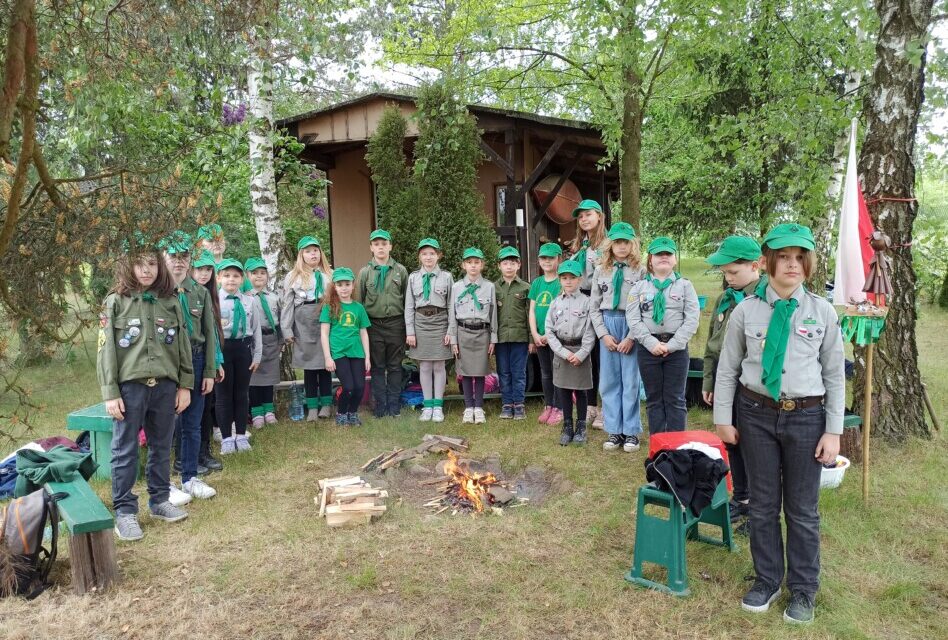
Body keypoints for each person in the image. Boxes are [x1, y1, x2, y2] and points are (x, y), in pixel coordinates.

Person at [713, 223, 844, 624]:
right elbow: (727, 369)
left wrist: (833, 431)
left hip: (806, 417)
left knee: (803, 510)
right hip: (755, 416)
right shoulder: (745, 311)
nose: (792, 265)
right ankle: (767, 578)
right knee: (764, 505)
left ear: (808, 263)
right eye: (784, 257)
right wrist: (723, 418)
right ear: (767, 262)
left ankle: (803, 589)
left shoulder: (822, 312)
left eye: (799, 258)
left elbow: (835, 373)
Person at [97, 241, 194, 541]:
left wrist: (185, 385)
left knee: (161, 445)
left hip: (165, 387)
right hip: (130, 389)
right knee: (124, 449)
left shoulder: (170, 301)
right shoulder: (114, 302)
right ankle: (125, 512)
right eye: (140, 263)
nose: (147, 269)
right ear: (127, 266)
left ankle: (159, 500)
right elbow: (106, 350)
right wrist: (110, 392)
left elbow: (183, 346)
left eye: (152, 263)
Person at [703, 236, 767, 524]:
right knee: (731, 440)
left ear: (756, 267)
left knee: (753, 444)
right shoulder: (724, 299)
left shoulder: (765, 299)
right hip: (723, 376)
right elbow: (712, 343)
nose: (728, 279)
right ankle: (741, 497)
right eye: (725, 273)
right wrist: (708, 381)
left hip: (750, 382)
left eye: (733, 272)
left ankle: (758, 507)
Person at [159, 232, 218, 503]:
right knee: (166, 425)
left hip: (195, 361)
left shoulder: (200, 292)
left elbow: (209, 333)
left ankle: (190, 477)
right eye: (173, 256)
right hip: (168, 365)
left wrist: (208, 370)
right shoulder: (157, 294)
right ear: (164, 259)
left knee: (193, 423)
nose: (179, 262)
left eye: (184, 257)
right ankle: (164, 484)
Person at [626, 237, 699, 434]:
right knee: (654, 398)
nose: (664, 257)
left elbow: (692, 319)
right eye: (659, 254)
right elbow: (633, 319)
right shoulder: (639, 287)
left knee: (675, 398)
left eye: (668, 254)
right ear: (650, 259)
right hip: (648, 350)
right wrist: (651, 343)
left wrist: (672, 345)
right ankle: (658, 445)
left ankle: (677, 447)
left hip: (676, 349)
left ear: (675, 259)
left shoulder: (685, 286)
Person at [589, 222, 645, 452]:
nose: (621, 247)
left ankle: (631, 431)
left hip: (631, 323)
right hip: (608, 324)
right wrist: (603, 335)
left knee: (631, 380)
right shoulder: (601, 270)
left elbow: (645, 305)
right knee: (610, 380)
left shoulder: (641, 270)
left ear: (633, 244)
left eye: (626, 242)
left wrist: (632, 336)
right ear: (610, 244)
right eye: (617, 242)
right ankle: (614, 429)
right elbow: (594, 306)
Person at [356, 229, 409, 418]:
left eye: (384, 244)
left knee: (395, 365)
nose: (380, 247)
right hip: (373, 325)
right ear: (371, 247)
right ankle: (380, 405)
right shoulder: (365, 273)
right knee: (377, 366)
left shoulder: (400, 271)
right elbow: (360, 302)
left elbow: (406, 299)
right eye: (376, 244)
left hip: (395, 323)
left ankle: (394, 405)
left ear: (390, 246)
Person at [281, 236, 334, 420]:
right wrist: (286, 329)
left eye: (315, 250)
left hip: (325, 318)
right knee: (309, 366)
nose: (313, 254)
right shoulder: (293, 276)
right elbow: (287, 304)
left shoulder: (330, 274)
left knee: (325, 364)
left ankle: (326, 405)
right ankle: (312, 406)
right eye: (308, 251)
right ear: (301, 255)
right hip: (303, 320)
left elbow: (337, 301)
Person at [545, 260, 595, 445]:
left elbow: (591, 330)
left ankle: (581, 426)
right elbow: (549, 331)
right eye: (564, 278)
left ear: (580, 279)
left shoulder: (587, 303)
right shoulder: (555, 303)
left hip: (580, 350)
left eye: (572, 278)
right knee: (563, 390)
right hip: (562, 352)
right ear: (560, 280)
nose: (568, 281)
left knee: (581, 391)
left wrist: (582, 353)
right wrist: (562, 353)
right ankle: (567, 426)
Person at [405, 238, 454, 423]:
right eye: (424, 254)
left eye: (432, 253)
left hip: (440, 321)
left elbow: (451, 306)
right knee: (424, 365)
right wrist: (410, 331)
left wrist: (451, 330)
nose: (428, 257)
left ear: (438, 256)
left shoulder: (447, 277)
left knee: (439, 365)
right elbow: (409, 306)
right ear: (419, 256)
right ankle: (427, 406)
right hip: (420, 323)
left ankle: (438, 406)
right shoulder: (413, 277)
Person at [215, 259, 262, 453]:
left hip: (243, 350)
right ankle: (226, 438)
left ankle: (241, 435)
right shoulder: (214, 301)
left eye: (235, 276)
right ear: (218, 278)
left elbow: (256, 329)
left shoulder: (249, 301)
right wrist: (216, 358)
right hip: (223, 350)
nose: (231, 280)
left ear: (242, 279)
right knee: (223, 395)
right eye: (226, 275)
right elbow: (212, 331)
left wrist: (257, 355)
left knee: (242, 394)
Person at [448, 247, 497, 424]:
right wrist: (453, 339)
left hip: (482, 332)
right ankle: (468, 407)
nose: (473, 266)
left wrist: (493, 338)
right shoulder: (456, 287)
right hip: (462, 332)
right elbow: (451, 314)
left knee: (481, 371)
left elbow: (493, 315)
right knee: (465, 372)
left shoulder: (489, 287)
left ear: (482, 265)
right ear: (464, 265)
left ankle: (479, 407)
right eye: (470, 262)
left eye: (477, 262)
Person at [570, 199, 607, 428]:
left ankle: (605, 407)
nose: (584, 219)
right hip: (582, 299)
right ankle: (591, 405)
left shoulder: (608, 243)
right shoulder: (581, 243)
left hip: (601, 300)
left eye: (588, 214)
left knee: (604, 357)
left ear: (600, 216)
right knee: (589, 353)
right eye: (581, 216)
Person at [321, 268, 372, 426]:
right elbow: (324, 334)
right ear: (334, 286)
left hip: (357, 352)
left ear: (353, 286)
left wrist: (367, 357)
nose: (344, 287)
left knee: (359, 387)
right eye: (340, 284)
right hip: (339, 353)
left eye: (347, 284)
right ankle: (341, 413)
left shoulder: (358, 308)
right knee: (348, 386)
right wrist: (328, 357)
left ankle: (352, 412)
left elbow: (363, 332)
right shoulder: (329, 307)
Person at [190, 250, 224, 472]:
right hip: (192, 358)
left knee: (205, 408)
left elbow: (213, 333)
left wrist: (217, 361)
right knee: (191, 410)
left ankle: (204, 452)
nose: (204, 274)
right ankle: (187, 457)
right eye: (200, 269)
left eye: (208, 269)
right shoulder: (186, 294)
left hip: (208, 358)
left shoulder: (210, 295)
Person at [494, 246, 532, 420]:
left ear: (519, 265)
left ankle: (519, 404)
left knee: (519, 371)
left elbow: (529, 315)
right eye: (505, 263)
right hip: (501, 338)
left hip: (520, 337)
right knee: (503, 371)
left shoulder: (526, 287)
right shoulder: (493, 287)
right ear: (499, 266)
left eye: (512, 263)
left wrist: (531, 339)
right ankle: (507, 404)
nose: (509, 266)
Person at [245, 257, 282, 428]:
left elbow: (280, 320)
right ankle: (257, 412)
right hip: (253, 342)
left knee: (269, 378)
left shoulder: (274, 298)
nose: (259, 277)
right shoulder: (245, 298)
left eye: (262, 273)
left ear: (267, 276)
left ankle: (269, 410)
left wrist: (281, 342)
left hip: (271, 340)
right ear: (247, 275)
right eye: (254, 273)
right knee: (254, 378)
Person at [529, 242, 563, 426]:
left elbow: (562, 311)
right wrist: (535, 334)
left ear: (559, 259)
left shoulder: (561, 282)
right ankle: (548, 405)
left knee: (558, 371)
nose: (547, 261)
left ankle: (560, 407)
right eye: (543, 258)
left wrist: (550, 335)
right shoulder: (537, 283)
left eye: (551, 258)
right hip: (540, 336)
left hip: (556, 337)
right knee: (545, 372)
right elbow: (532, 310)